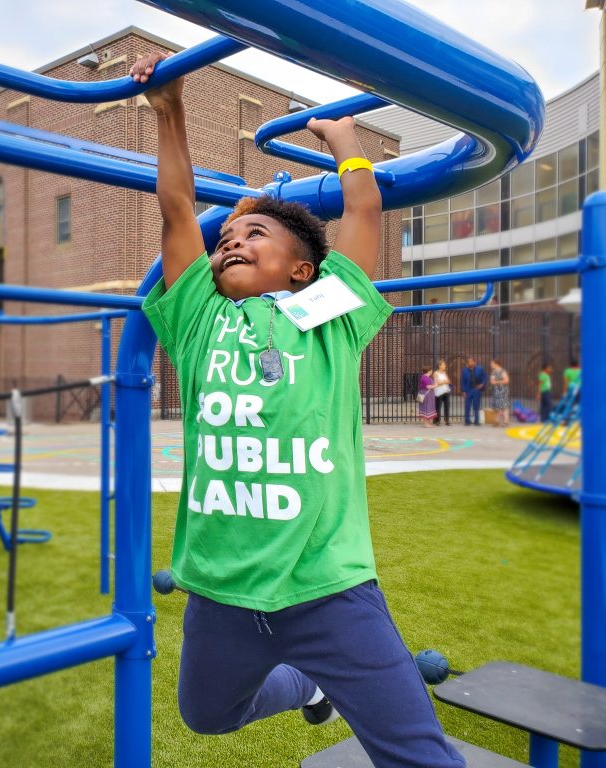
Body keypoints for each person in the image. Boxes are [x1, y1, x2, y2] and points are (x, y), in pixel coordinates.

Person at [131, 52, 463, 768]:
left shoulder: (326, 316)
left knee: (420, 755)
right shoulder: (198, 320)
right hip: (220, 591)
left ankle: (324, 670)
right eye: (227, 242)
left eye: (254, 237)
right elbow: (178, 207)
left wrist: (345, 142)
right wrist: (169, 109)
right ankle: (308, 686)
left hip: (327, 590)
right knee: (207, 715)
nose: (231, 245)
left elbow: (366, 211)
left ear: (301, 270)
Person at [461, 356, 486, 426]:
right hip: (468, 390)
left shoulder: (480, 369)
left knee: (476, 405)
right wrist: (463, 391)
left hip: (476, 390)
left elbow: (484, 378)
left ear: (474, 362)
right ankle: (467, 421)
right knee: (467, 406)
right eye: (468, 361)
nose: (469, 363)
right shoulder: (464, 370)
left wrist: (482, 384)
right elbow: (463, 381)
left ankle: (477, 421)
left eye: (471, 361)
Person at [489, 359, 510, 427]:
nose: (491, 365)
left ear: (496, 364)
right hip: (496, 391)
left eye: (492, 363)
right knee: (497, 406)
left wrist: (497, 382)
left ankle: (506, 422)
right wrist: (495, 381)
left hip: (503, 391)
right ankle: (497, 421)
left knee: (504, 406)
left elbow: (506, 380)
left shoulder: (502, 371)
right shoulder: (493, 372)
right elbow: (492, 381)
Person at [432, 359, 452, 426]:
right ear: (439, 365)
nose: (445, 366)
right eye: (444, 365)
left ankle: (447, 420)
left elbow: (448, 381)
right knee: (438, 407)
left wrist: (443, 381)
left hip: (446, 391)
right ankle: (437, 421)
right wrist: (444, 381)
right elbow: (437, 383)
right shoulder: (435, 373)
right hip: (438, 392)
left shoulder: (444, 373)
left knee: (447, 406)